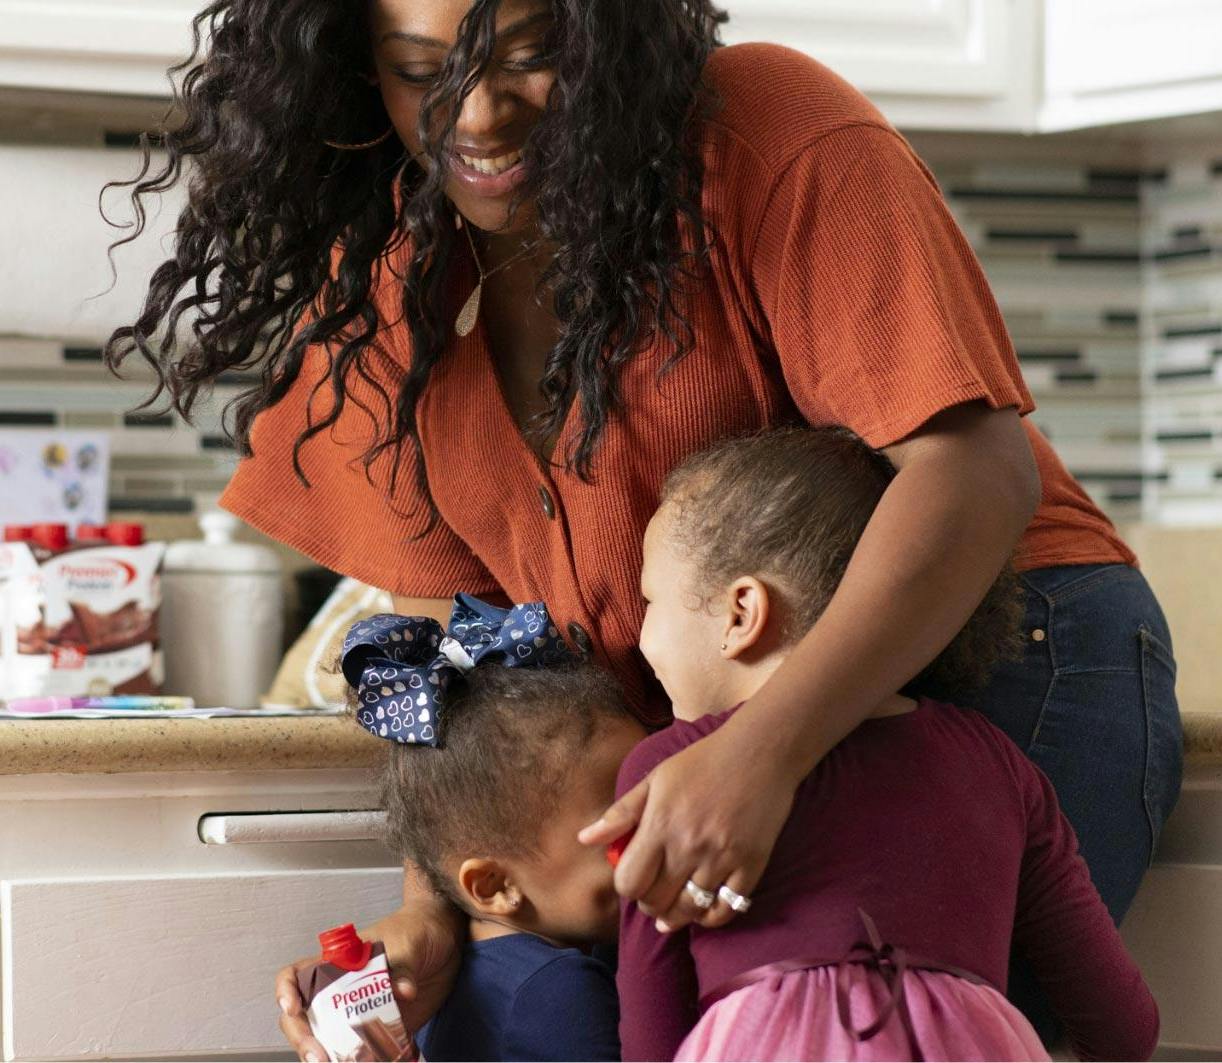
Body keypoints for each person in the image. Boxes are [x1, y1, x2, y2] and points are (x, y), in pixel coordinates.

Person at [104, 0, 1180, 1053]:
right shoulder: (388, 282)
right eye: (420, 71)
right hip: (707, 733)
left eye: (532, 58)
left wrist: (760, 753)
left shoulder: (764, 129)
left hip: (987, 659)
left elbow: (972, 475)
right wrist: (433, 913)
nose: (477, 115)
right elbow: (452, 661)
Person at [610, 427, 1158, 1062]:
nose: (634, 633)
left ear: (741, 613)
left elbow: (650, 1034)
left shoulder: (667, 775)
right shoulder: (997, 764)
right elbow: (1125, 1027)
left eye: (649, 601)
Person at [339, 597, 640, 1061]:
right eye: (621, 825)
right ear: (495, 885)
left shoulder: (460, 968)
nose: (659, 833)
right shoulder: (558, 988)